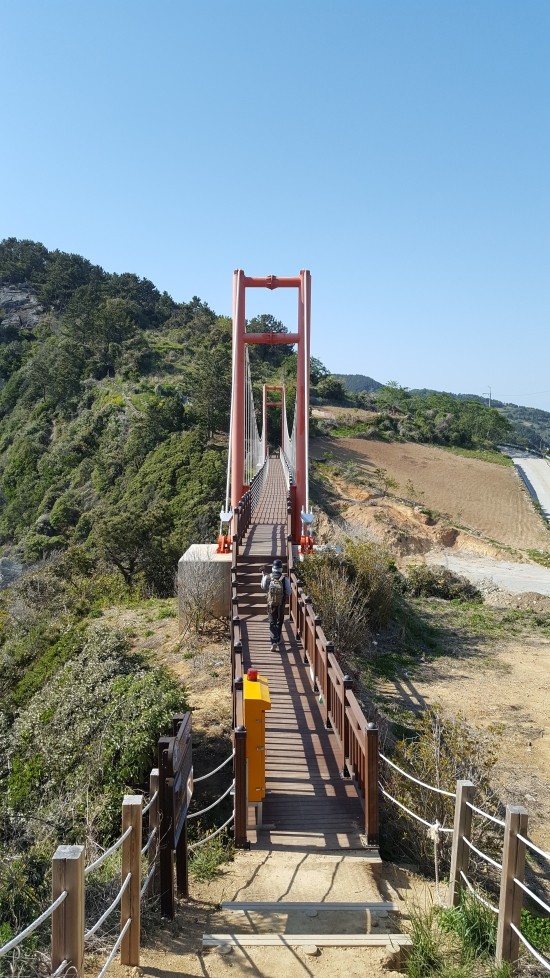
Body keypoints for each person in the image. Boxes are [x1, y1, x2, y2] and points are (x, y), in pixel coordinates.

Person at [261, 558, 292, 652]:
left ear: (273, 568)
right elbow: (289, 592)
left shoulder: (268, 577)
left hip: (270, 604)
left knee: (272, 622)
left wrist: (263, 578)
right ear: (281, 568)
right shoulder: (284, 578)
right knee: (279, 620)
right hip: (281, 604)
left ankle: (273, 641)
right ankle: (278, 639)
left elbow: (263, 587)